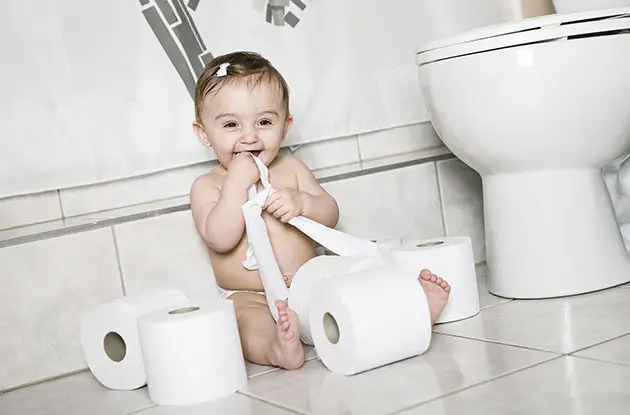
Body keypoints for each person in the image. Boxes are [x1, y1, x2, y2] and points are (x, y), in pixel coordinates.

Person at [189, 51, 451, 371]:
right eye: (231, 124)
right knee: (242, 325)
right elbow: (219, 238)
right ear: (204, 133)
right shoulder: (208, 186)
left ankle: (412, 308)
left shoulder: (292, 169)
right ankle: (276, 348)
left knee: (353, 289)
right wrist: (235, 185)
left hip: (308, 280)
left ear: (285, 127)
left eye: (264, 122)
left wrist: (302, 203)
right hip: (247, 295)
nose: (249, 136)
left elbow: (330, 212)